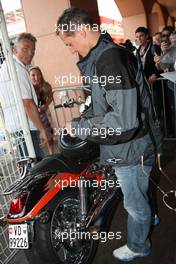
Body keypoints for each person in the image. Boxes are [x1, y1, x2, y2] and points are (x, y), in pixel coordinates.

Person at [56, 8, 159, 262]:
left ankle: (139, 245)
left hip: (130, 148)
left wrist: (80, 128)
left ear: (81, 31)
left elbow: (122, 122)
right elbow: (107, 103)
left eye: (69, 43)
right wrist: (84, 118)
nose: (70, 49)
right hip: (134, 146)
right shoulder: (105, 53)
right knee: (139, 193)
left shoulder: (109, 58)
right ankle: (148, 216)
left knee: (133, 204)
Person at [0, 33, 47, 159]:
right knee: (36, 169)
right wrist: (42, 129)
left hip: (17, 128)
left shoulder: (6, 67)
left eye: (33, 50)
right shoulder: (18, 70)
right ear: (14, 50)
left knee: (28, 165)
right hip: (26, 129)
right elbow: (28, 104)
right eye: (25, 49)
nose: (30, 53)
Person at [29, 66, 54, 154]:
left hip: (44, 114)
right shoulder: (28, 88)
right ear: (29, 77)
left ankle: (52, 153)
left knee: (49, 134)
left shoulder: (46, 86)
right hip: (33, 116)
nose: (36, 77)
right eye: (33, 75)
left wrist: (46, 105)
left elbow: (51, 97)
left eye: (38, 75)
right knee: (37, 136)